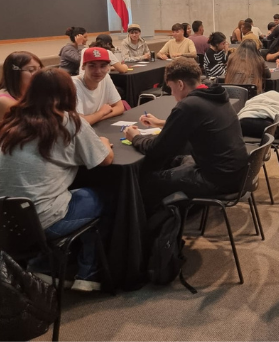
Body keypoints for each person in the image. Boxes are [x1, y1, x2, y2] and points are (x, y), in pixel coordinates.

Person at [0, 67, 114, 291]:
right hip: (42, 219)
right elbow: (106, 160)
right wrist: (103, 142)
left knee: (67, 197)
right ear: (69, 93)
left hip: (6, 222)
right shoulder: (70, 122)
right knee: (105, 197)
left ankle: (43, 265)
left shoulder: (12, 122)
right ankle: (87, 274)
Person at [123, 59, 248, 207]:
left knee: (147, 180)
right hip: (236, 173)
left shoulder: (188, 105)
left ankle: (161, 225)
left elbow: (157, 149)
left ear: (180, 84)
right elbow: (201, 122)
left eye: (171, 87)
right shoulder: (214, 94)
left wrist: (135, 137)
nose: (172, 93)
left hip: (217, 180)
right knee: (176, 160)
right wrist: (162, 122)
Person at [74, 47, 126, 125]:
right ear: (83, 67)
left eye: (103, 66)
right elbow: (80, 123)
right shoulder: (73, 85)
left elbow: (120, 107)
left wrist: (96, 117)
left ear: (108, 67)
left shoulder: (106, 78)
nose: (98, 71)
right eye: (92, 66)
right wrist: (101, 113)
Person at [0, 51, 42, 119]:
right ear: (15, 73)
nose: (38, 74)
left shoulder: (30, 91)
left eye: (39, 69)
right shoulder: (3, 100)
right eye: (31, 70)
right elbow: (28, 122)